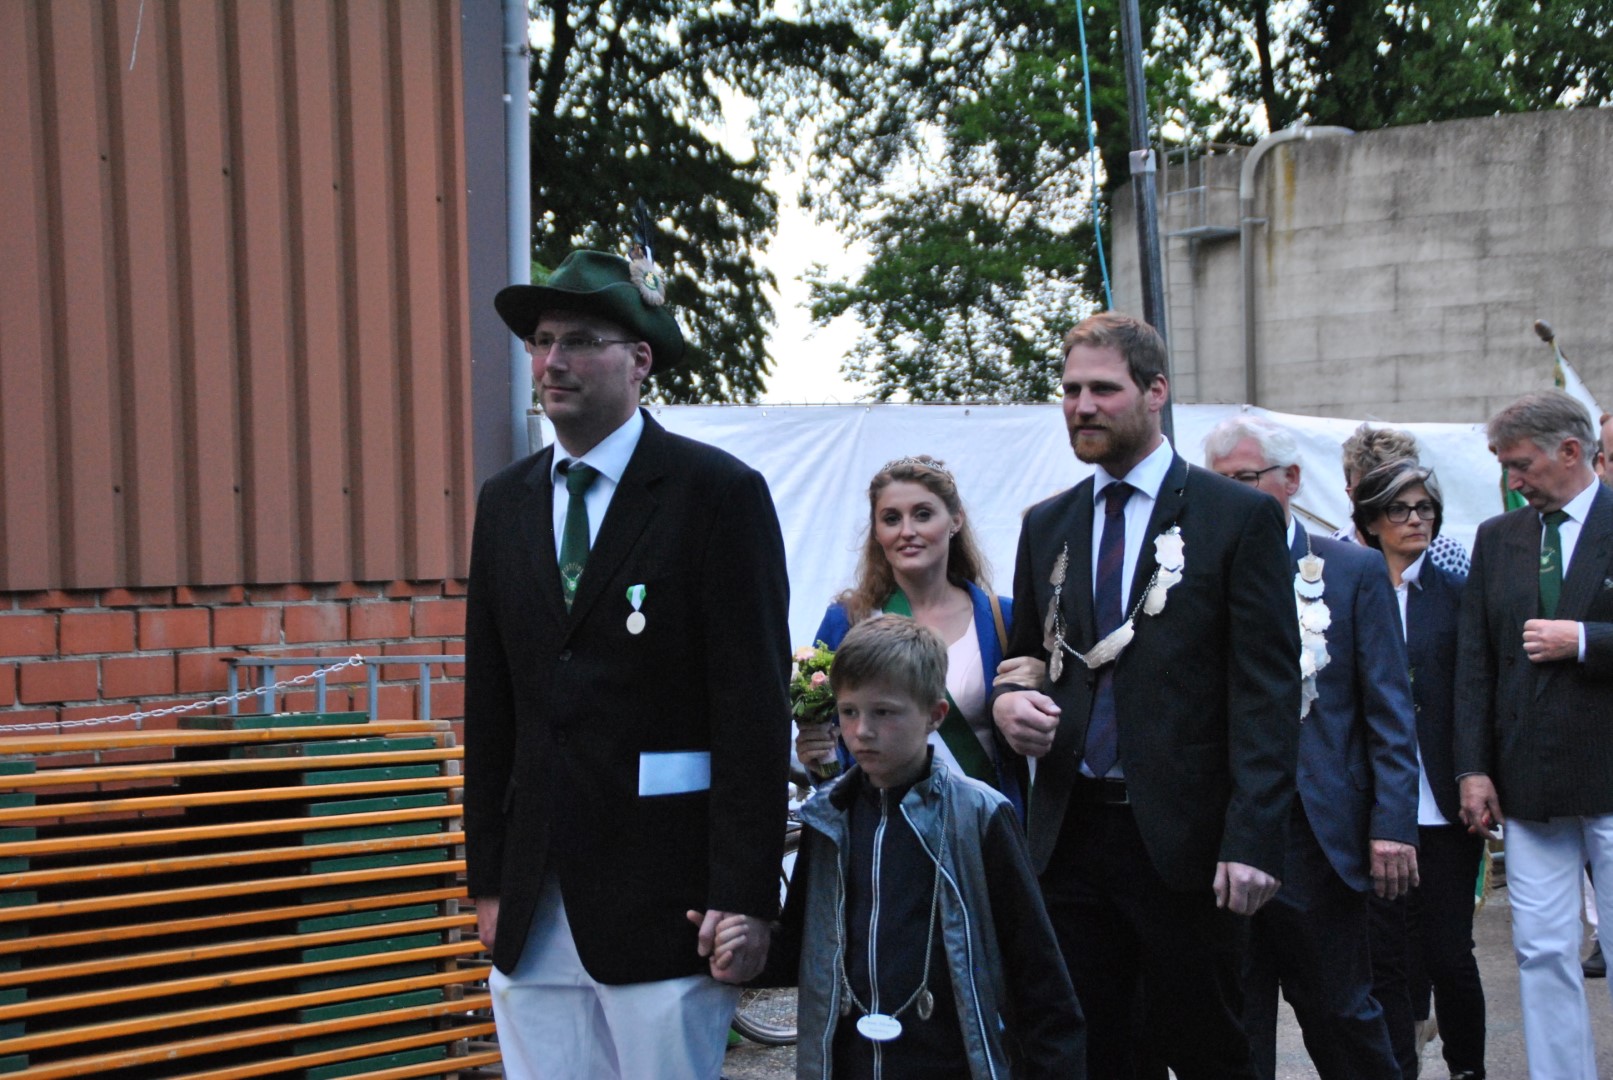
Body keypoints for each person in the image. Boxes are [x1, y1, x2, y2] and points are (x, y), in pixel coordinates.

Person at [464, 250, 792, 1079]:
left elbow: (752, 710)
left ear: (639, 360)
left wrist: (746, 896)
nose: (553, 362)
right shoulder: (505, 502)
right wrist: (489, 879)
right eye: (541, 342)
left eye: (580, 341)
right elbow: (491, 704)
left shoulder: (714, 493)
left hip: (666, 901)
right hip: (537, 902)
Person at [992, 312, 1302, 1078]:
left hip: (1187, 844)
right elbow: (1026, 659)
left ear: (1155, 390)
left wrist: (1251, 838)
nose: (1081, 406)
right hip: (1069, 838)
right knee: (1087, 1055)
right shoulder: (1048, 525)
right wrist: (1008, 707)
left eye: (1102, 389)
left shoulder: (1235, 517)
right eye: (1069, 390)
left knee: (1207, 1052)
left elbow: (1266, 692)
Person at [730, 615, 1086, 1078]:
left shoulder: (979, 816)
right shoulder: (827, 819)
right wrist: (745, 951)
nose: (862, 731)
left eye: (884, 712)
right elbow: (802, 948)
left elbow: (1039, 976)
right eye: (849, 712)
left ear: (935, 715)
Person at [1205, 416, 1420, 1080]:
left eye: (1244, 479)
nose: (1230, 497)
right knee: (1234, 1028)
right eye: (1218, 483)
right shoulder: (1195, 572)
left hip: (1318, 836)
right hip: (1224, 832)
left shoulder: (1352, 570)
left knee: (1341, 1016)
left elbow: (1389, 711)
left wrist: (1392, 824)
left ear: (1291, 479)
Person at [1455, 389, 1613, 1080]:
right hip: (1528, 779)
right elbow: (1475, 661)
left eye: (1520, 464)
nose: (1512, 479)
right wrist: (1471, 768)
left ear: (1570, 451)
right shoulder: (1499, 538)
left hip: (1609, 772)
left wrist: (1585, 640)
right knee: (1541, 949)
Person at [795, 455, 1033, 813]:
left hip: (981, 825)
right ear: (877, 532)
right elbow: (832, 758)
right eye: (892, 518)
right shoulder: (847, 621)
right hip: (884, 825)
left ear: (955, 520)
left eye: (923, 514)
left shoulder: (1004, 619)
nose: (907, 530)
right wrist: (820, 758)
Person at [1352, 460, 1487, 1080]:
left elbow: (1476, 691)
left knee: (1449, 954)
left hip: (1445, 800)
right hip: (1376, 804)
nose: (1416, 519)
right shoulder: (1347, 589)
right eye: (1400, 509)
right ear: (1370, 521)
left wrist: (1476, 773)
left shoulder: (1457, 591)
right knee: (1386, 958)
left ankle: (1467, 1070)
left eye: (1425, 507)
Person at [1335, 423, 1470, 576]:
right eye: (1373, 492)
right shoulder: (1328, 553)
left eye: (1400, 487)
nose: (1414, 519)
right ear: (1352, 493)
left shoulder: (1446, 554)